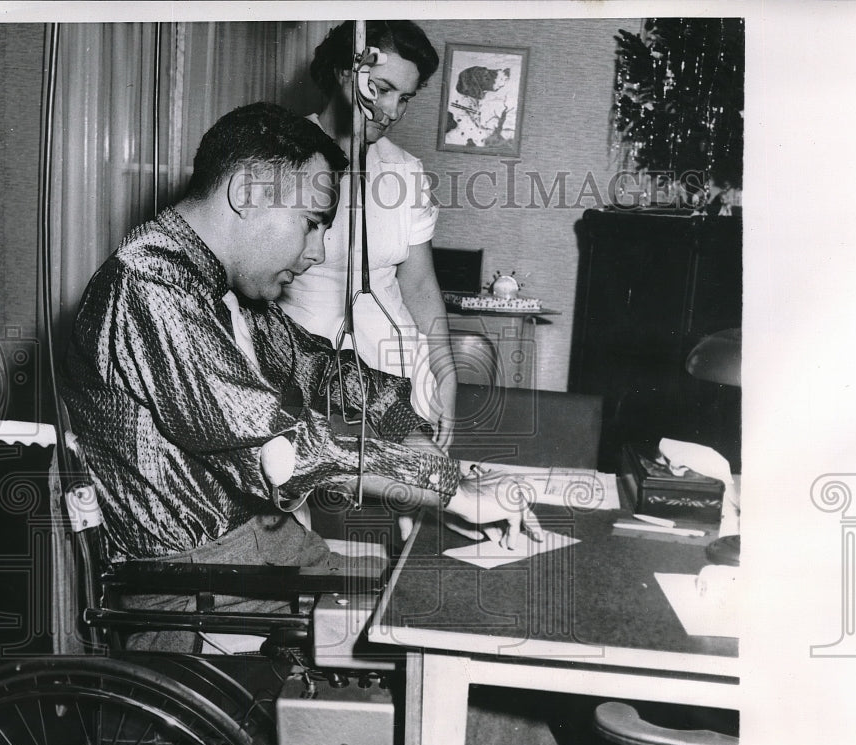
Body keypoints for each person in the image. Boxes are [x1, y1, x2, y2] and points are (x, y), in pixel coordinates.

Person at [60, 102, 541, 651]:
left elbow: (321, 367)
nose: (316, 252)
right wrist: (448, 490)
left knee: (443, 597)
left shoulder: (215, 282)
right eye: (311, 224)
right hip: (202, 588)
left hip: (260, 552)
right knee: (438, 630)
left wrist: (418, 441)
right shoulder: (150, 290)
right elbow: (283, 448)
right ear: (248, 191)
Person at [278, 20, 459, 451]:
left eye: (405, 97)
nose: (392, 111)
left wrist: (446, 373)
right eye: (382, 88)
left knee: (410, 500)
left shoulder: (404, 171)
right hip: (309, 373)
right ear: (346, 73)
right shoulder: (278, 155)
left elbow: (418, 284)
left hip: (400, 372)